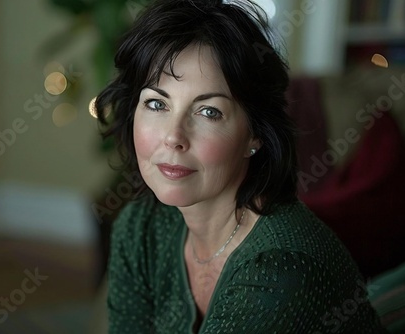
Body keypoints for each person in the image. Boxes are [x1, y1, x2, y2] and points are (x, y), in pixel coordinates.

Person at [94, 0, 387, 332]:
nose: (173, 137)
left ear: (255, 135)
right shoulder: (140, 228)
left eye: (209, 112)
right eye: (157, 103)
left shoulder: (282, 267)